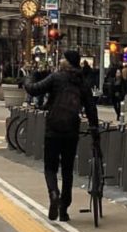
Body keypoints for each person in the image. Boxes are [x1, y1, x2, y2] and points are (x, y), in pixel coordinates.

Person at [25, 50, 99, 222]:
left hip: (53, 129)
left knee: (50, 167)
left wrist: (30, 76)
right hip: (71, 130)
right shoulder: (82, 82)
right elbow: (90, 108)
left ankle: (53, 193)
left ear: (68, 62)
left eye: (63, 58)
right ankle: (64, 209)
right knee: (67, 170)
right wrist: (94, 130)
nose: (61, 60)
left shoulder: (56, 77)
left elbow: (33, 89)